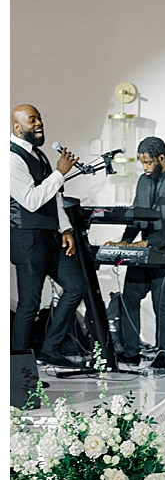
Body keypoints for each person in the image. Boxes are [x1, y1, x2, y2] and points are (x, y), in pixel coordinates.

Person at [105, 136, 165, 369]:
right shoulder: (144, 182)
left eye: (148, 163)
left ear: (161, 158)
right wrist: (125, 242)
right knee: (130, 298)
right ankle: (131, 351)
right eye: (141, 163)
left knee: (161, 303)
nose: (144, 168)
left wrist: (146, 244)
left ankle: (164, 352)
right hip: (144, 253)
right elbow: (136, 215)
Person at [10, 104, 85, 368]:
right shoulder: (10, 158)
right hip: (27, 239)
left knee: (77, 286)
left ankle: (50, 349)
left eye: (40, 118)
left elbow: (54, 196)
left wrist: (65, 228)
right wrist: (59, 173)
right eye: (33, 120)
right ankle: (17, 369)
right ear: (18, 127)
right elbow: (30, 201)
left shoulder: (38, 155)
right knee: (29, 305)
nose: (39, 123)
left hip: (50, 237)